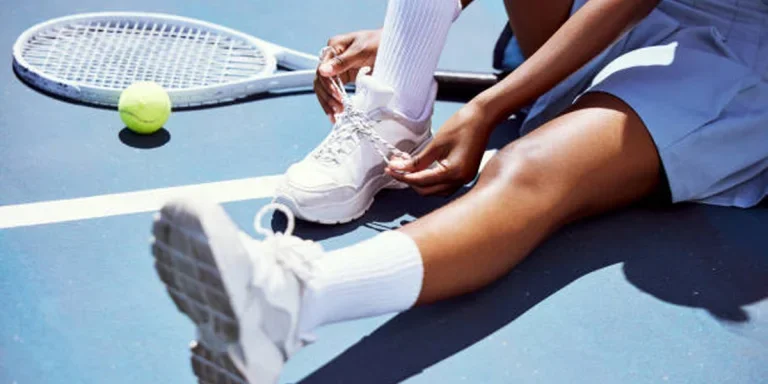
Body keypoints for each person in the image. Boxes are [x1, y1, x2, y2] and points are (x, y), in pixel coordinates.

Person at [150, 0, 768, 382]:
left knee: (531, 169)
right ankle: (396, 109)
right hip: (607, 12)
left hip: (730, 50)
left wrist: (489, 106)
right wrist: (405, 44)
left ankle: (289, 300)